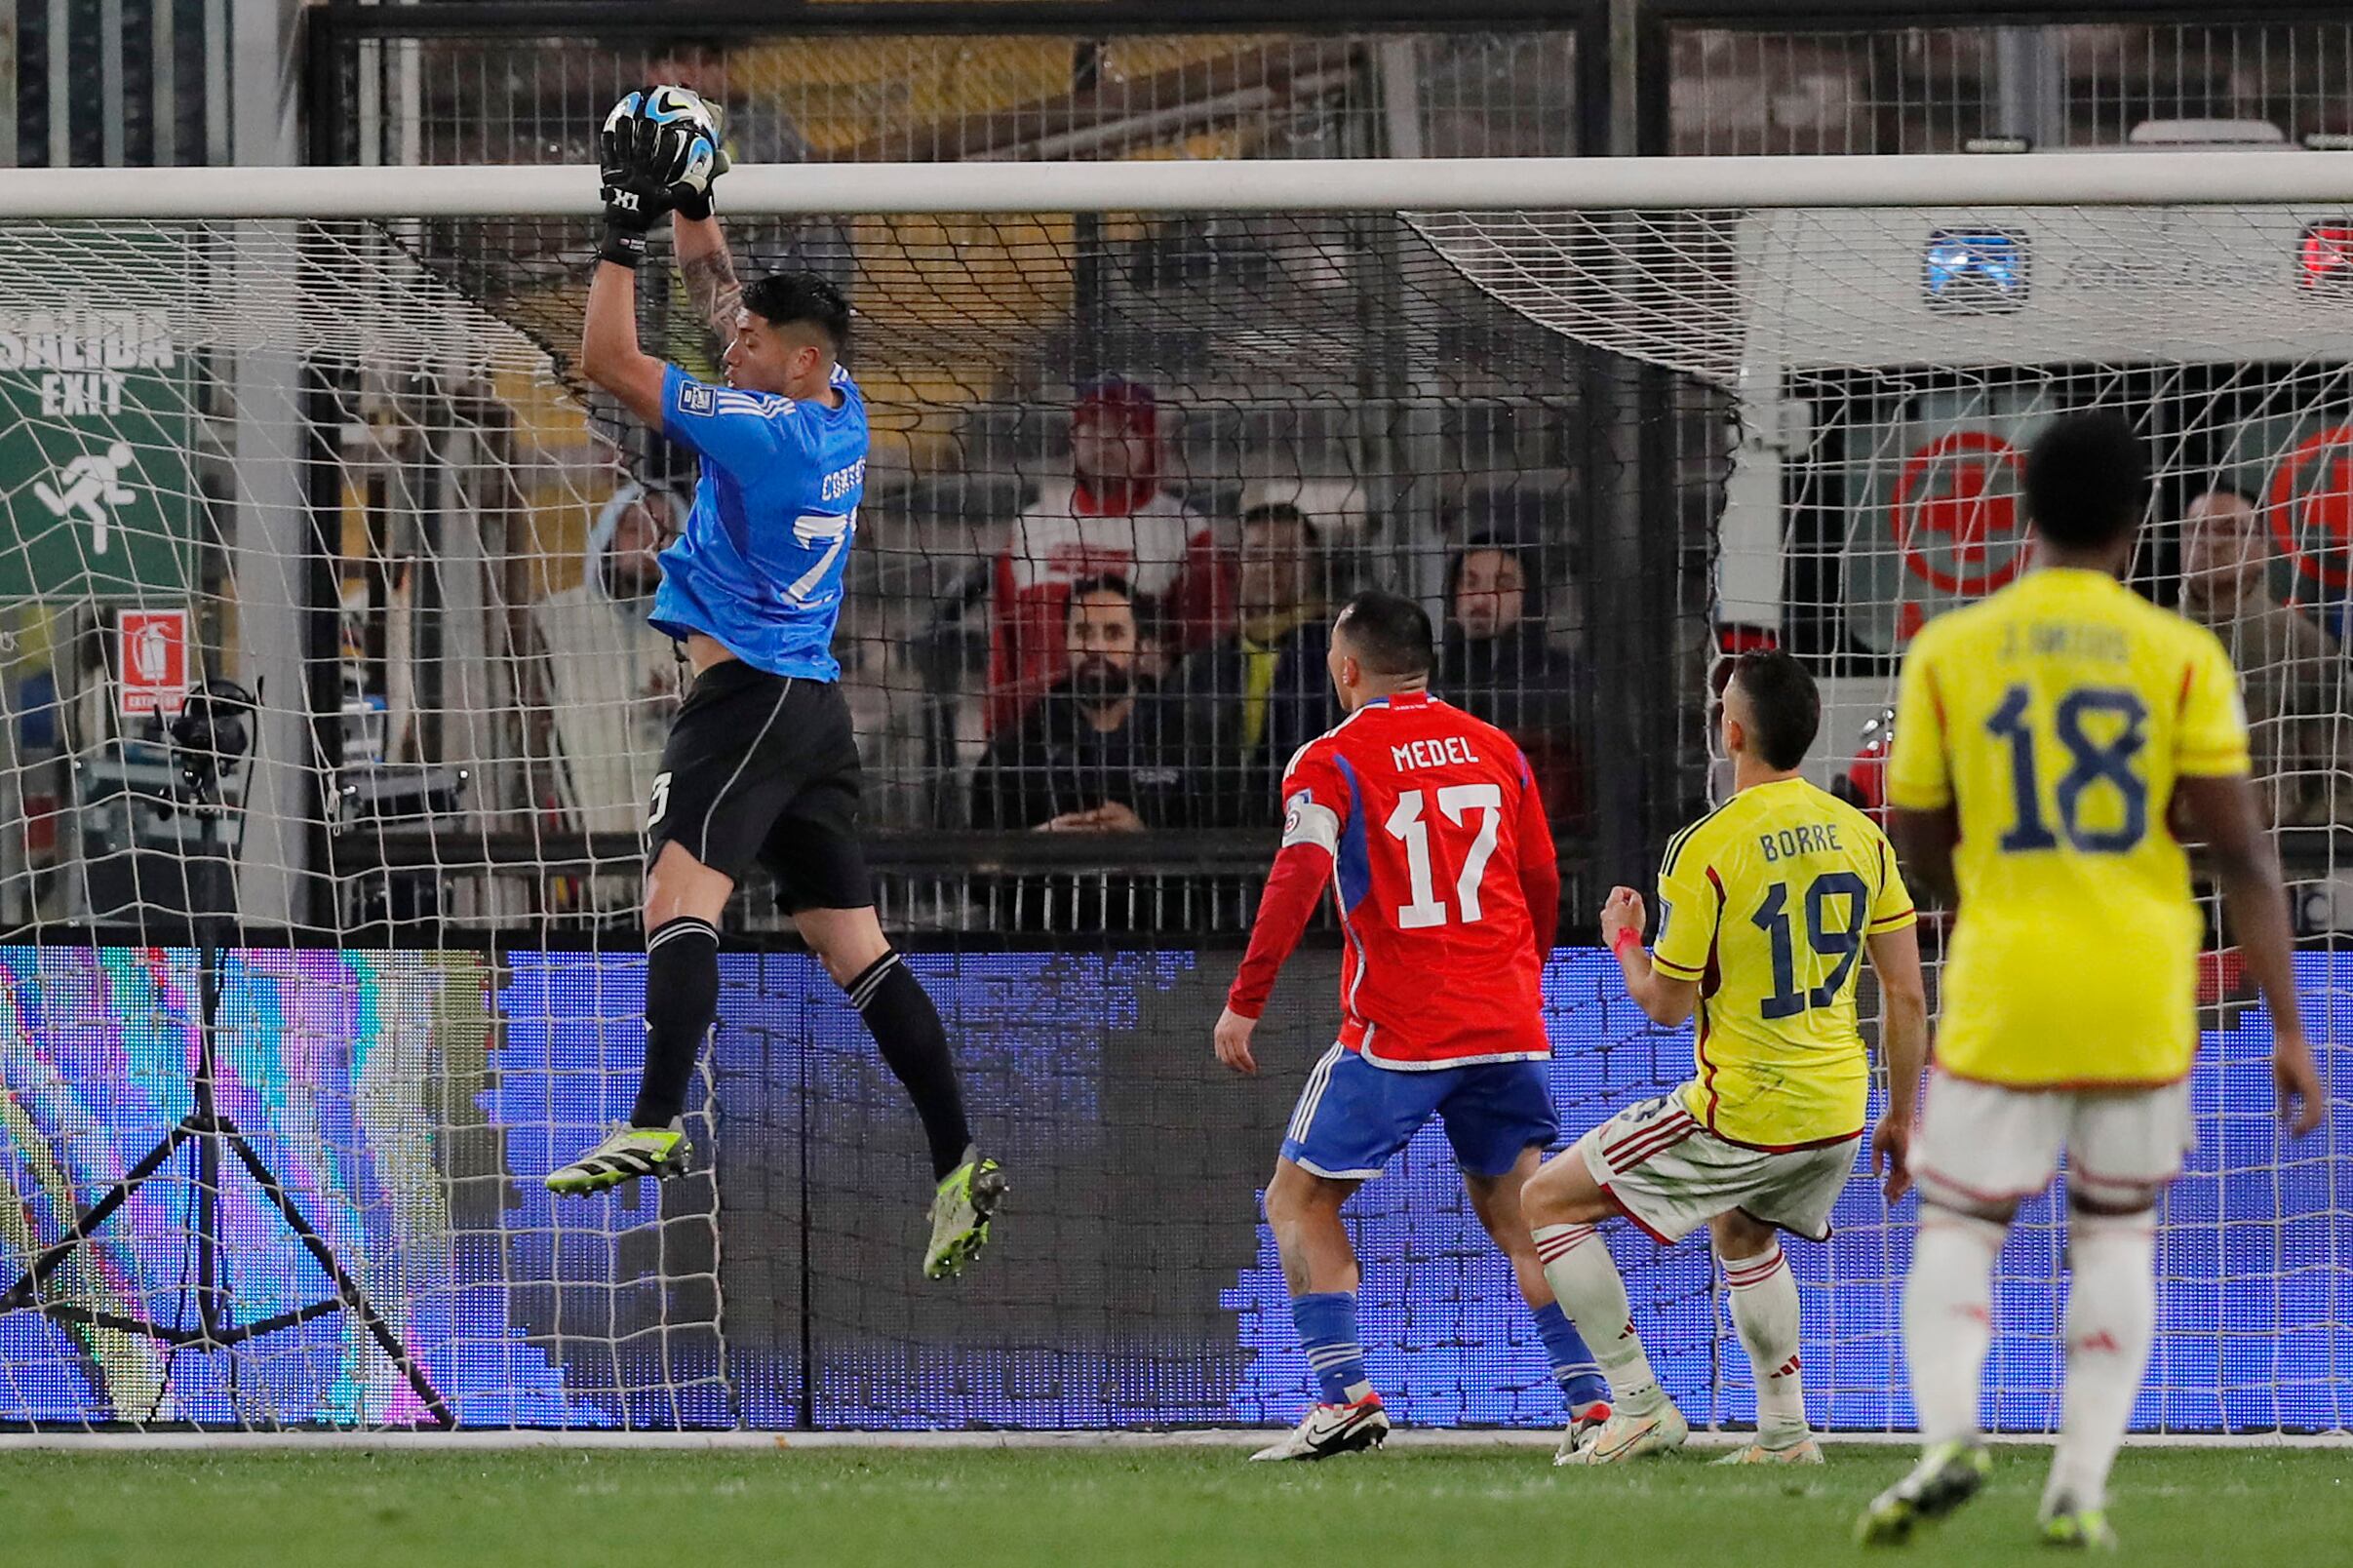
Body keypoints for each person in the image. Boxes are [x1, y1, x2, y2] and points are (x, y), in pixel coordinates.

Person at [542, 90, 1005, 1282]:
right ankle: (956, 1158)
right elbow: (719, 303)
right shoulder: (835, 412)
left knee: (674, 904)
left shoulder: (758, 430)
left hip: (745, 703)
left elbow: (603, 357)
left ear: (790, 364)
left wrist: (620, 223)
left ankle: (654, 1116)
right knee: (856, 948)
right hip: (812, 712)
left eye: (748, 343)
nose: (727, 342)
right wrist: (698, 205)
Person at [1861, 413, 2324, 1548]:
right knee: (2115, 1237)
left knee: (1960, 1231)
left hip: (2007, 979)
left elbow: (1912, 829)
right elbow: (2246, 856)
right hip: (2140, 987)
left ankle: (1950, 1437)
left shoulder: (1950, 652)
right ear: (2134, 527)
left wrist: (1983, 873)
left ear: (2022, 511)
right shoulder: (2181, 658)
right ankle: (2077, 1482)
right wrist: (2288, 1030)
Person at [1212, 590, 1610, 1463]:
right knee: (1524, 1217)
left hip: (1399, 1030)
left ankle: (1344, 1396)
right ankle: (1595, 1409)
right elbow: (1541, 879)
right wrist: (1520, 978)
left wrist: (1248, 997)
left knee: (1298, 1198)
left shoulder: (1330, 759)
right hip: (1506, 1021)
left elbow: (1300, 874)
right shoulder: (1498, 749)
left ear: (1345, 668)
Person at [1519, 648, 1929, 1466]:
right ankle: (1782, 1434)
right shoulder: (1862, 836)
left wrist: (1623, 940)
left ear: (1732, 732)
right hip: (1839, 1111)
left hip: (1745, 1110)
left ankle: (1635, 1405)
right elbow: (1909, 998)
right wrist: (1899, 1118)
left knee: (1544, 1203)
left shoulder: (1706, 846)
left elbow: (1665, 1006)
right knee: (1743, 1229)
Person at [989, 377, 1220, 731]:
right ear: (1073, 438)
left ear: (1151, 441)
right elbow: (1005, 649)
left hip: (1144, 735)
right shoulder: (1031, 526)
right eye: (1092, 429)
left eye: (1123, 430)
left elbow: (1206, 650)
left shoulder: (1185, 530)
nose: (1104, 443)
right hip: (1040, 738)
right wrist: (998, 731)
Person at [2177, 488, 2345, 827]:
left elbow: (2342, 779)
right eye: (2195, 529)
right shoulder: (2146, 633)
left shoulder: (2302, 644)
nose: (2210, 542)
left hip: (2271, 851)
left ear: (2263, 548)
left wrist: (2290, 825)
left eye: (2229, 530)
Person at [969, 576, 1191, 834]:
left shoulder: (1189, 743)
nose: (1097, 648)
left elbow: (1215, 852)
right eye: (1083, 633)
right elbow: (981, 863)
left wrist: (1144, 845)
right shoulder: (1013, 755)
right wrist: (1036, 849)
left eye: (1114, 634)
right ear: (1066, 642)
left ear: (1140, 648)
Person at [529, 484, 686, 844]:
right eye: (634, 529)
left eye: (661, 531)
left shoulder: (700, 630)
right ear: (608, 537)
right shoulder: (556, 619)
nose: (648, 544)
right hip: (581, 836)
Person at [1178, 498, 1335, 822]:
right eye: (1257, 554)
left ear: (1314, 565)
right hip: (1216, 841)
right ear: (1239, 564)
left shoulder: (1341, 658)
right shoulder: (1203, 667)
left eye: (1287, 556)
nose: (1269, 567)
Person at [1437, 536, 1587, 830]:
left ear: (1529, 598)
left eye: (1503, 585)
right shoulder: (1428, 681)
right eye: (1470, 583)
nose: (1481, 599)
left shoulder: (1565, 682)